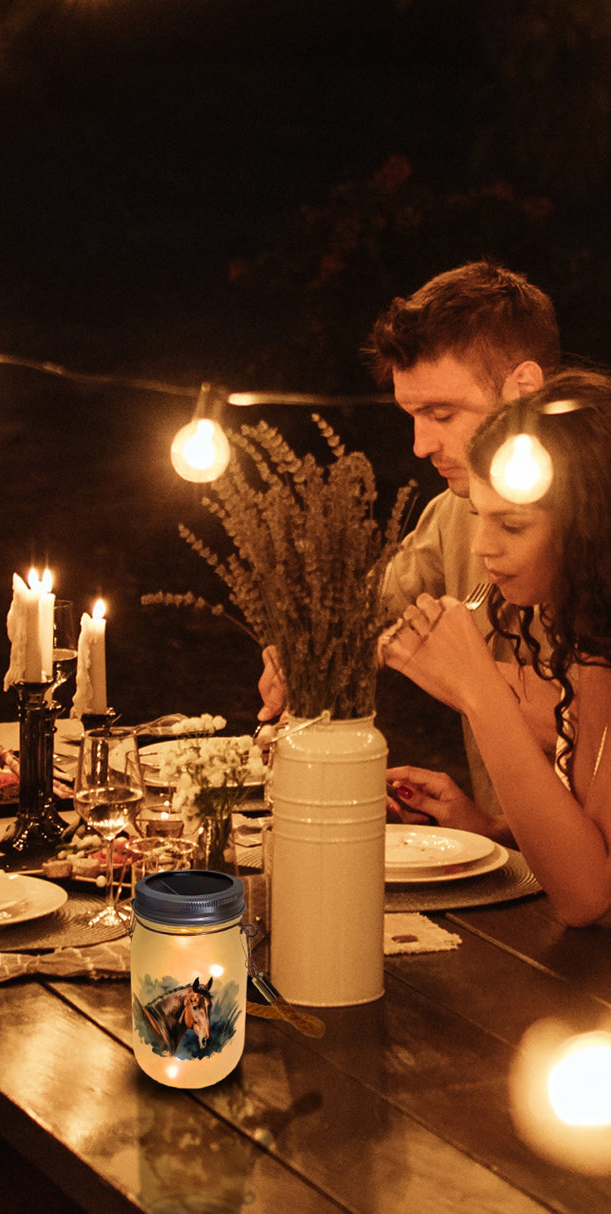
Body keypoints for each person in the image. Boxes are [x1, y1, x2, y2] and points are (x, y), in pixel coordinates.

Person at [257, 261, 561, 811]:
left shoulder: (594, 515)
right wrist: (302, 652)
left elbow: (590, 731)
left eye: (442, 413)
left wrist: (466, 677)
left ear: (523, 388)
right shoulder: (454, 512)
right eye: (411, 415)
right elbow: (362, 618)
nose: (420, 444)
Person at [382, 370, 611, 927]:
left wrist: (479, 691)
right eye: (481, 519)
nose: (483, 547)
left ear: (592, 526)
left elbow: (589, 897)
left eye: (511, 524)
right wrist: (492, 828)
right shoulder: (592, 646)